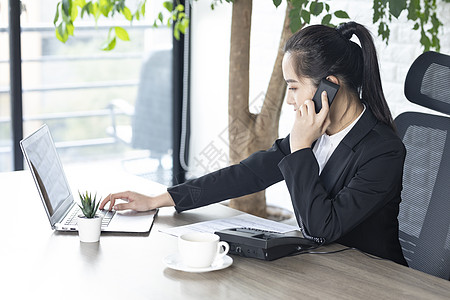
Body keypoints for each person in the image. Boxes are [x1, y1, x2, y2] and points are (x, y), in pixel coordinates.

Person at [100, 21, 408, 266]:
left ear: (330, 86)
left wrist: (300, 148)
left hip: (373, 279)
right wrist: (160, 199)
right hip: (326, 270)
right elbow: (246, 174)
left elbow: (321, 230)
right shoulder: (317, 131)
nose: (289, 100)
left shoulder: (383, 151)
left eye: (294, 87)